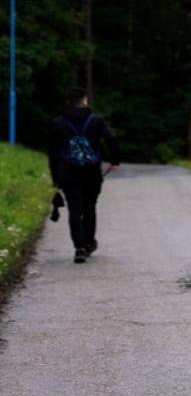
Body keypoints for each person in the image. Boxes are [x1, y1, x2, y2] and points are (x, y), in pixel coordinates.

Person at [48, 87, 120, 264]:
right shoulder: (96, 121)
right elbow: (111, 139)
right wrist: (115, 159)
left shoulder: (58, 122)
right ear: (84, 100)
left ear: (68, 102)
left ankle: (79, 248)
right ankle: (89, 243)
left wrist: (55, 178)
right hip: (92, 172)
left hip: (68, 173)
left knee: (75, 209)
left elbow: (53, 153)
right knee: (89, 207)